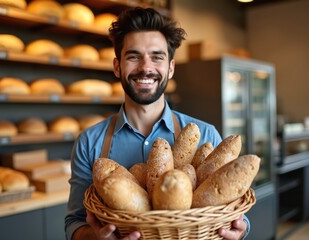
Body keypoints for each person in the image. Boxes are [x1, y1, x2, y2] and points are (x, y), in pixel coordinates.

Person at [65, 7, 250, 240]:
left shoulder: (206, 135)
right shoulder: (90, 143)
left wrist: (241, 232)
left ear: (170, 68)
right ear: (116, 66)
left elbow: (234, 212)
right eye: (133, 56)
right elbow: (75, 222)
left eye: (157, 56)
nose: (145, 67)